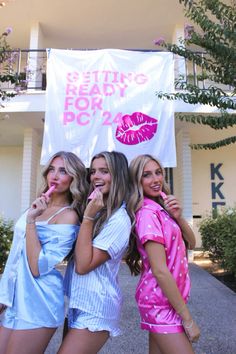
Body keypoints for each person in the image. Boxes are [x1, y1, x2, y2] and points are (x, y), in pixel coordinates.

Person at [0, 151, 88, 354]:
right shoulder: (38, 204)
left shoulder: (69, 217)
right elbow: (15, 256)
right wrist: (4, 296)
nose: (54, 175)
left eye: (63, 171)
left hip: (39, 302)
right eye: (51, 169)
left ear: (74, 178)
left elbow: (39, 267)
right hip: (15, 298)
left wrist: (31, 221)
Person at [58, 151, 132, 354]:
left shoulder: (119, 220)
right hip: (78, 303)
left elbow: (83, 266)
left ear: (118, 177)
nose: (95, 176)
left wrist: (88, 218)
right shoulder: (97, 210)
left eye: (104, 171)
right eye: (93, 172)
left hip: (97, 307)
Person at [126, 154, 200, 354]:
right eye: (147, 175)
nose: (156, 179)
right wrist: (188, 319)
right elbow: (159, 271)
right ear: (137, 181)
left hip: (168, 300)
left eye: (158, 172)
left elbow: (191, 243)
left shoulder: (162, 210)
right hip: (160, 303)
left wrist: (179, 218)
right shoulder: (148, 213)